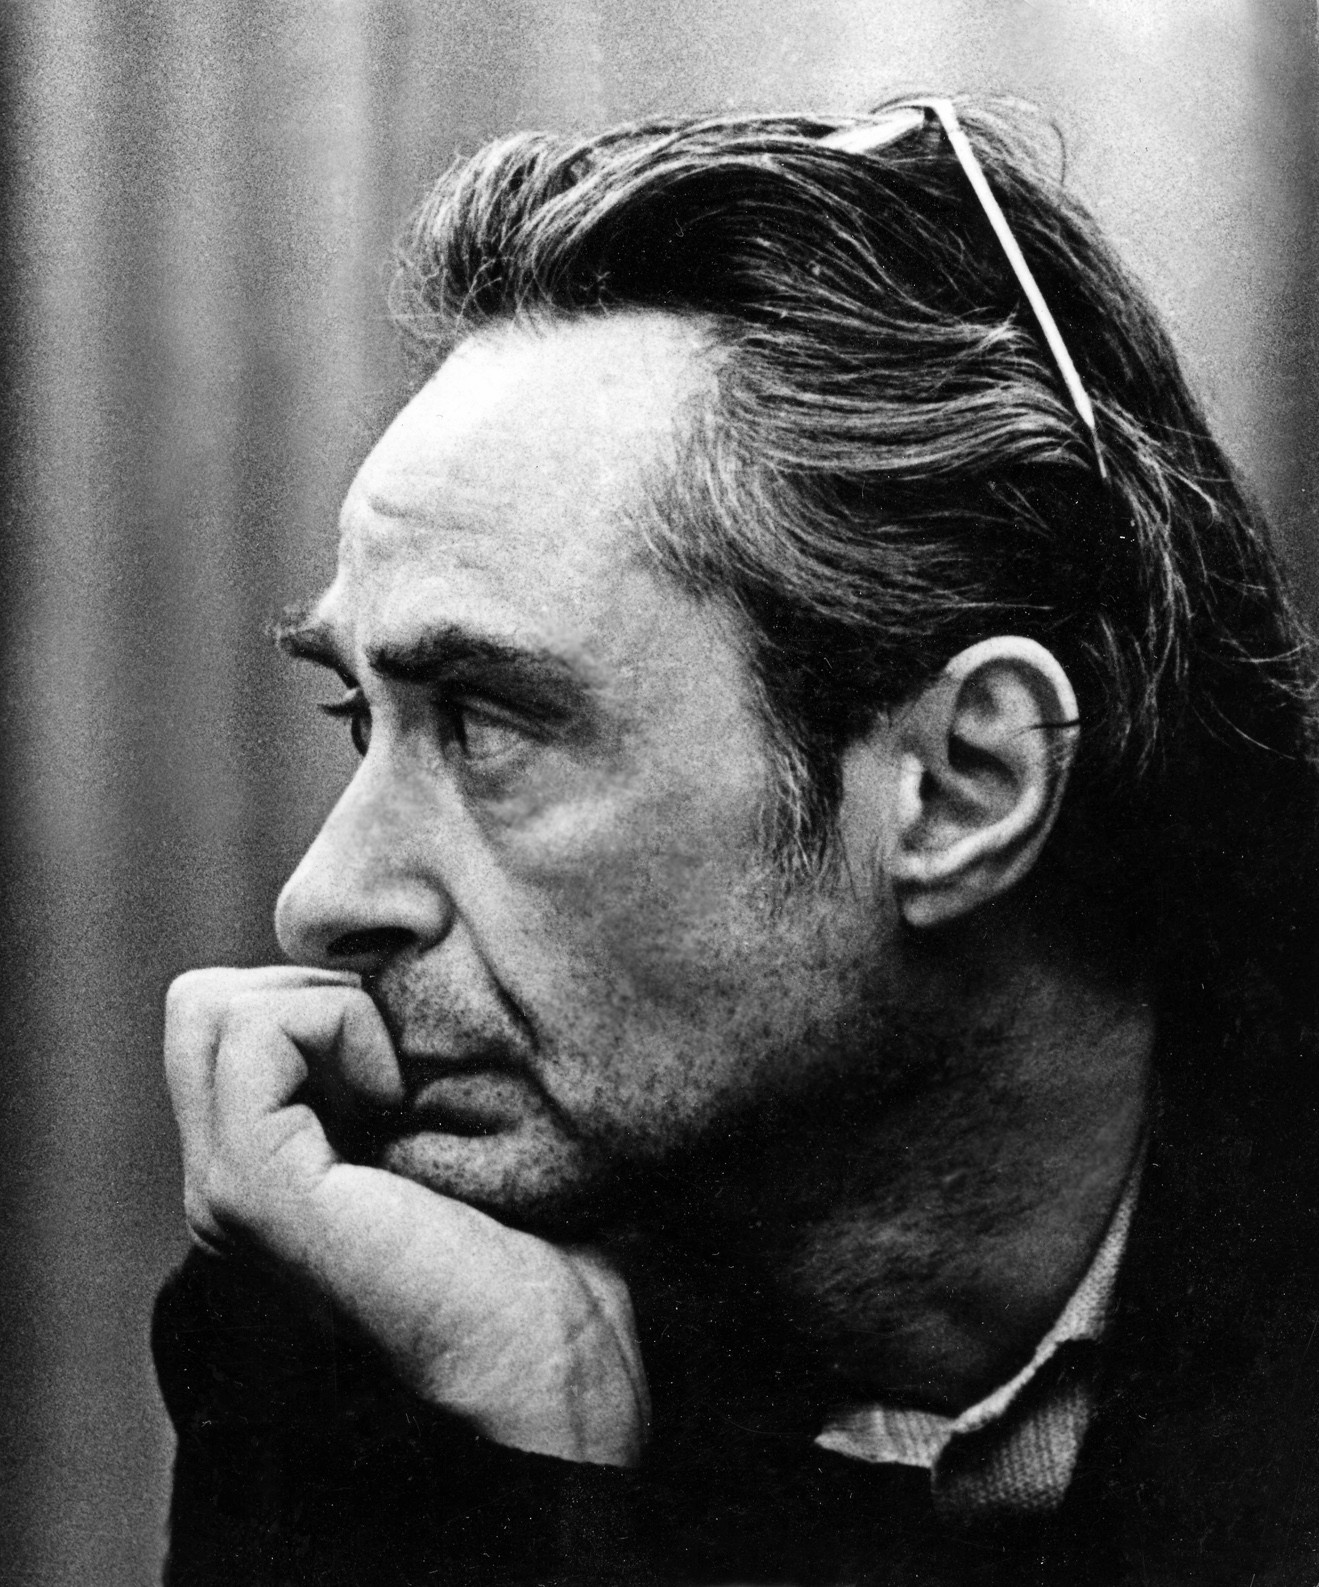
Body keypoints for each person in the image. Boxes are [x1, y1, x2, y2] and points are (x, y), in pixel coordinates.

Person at [153, 96, 1319, 1586]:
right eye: (359, 718)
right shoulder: (373, 1307)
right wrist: (535, 1456)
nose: (321, 901)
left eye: (489, 725)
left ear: (963, 788)